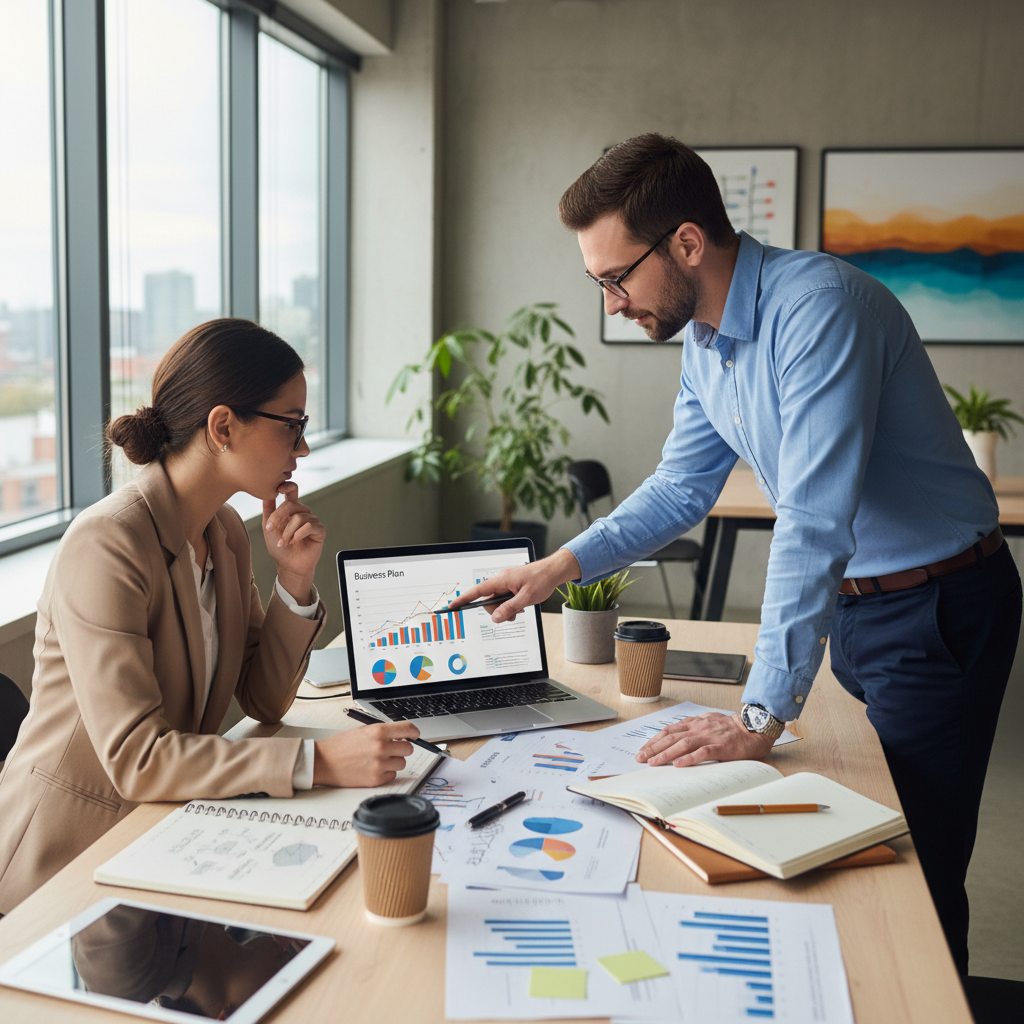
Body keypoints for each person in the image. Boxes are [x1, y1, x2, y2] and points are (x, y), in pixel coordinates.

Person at [451, 134, 1021, 974]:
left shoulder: (820, 308)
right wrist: (557, 568)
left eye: (616, 278)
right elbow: (682, 489)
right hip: (859, 610)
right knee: (850, 839)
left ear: (686, 242)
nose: (610, 303)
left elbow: (814, 517)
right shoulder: (706, 341)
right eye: (597, 283)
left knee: (914, 873)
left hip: (935, 608)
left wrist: (760, 714)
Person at [0, 319, 419, 914]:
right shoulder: (106, 543)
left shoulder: (222, 531)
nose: (303, 448)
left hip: (163, 836)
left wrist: (295, 580)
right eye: (292, 425)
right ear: (223, 427)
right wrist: (320, 761)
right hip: (62, 867)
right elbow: (139, 760)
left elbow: (263, 701)